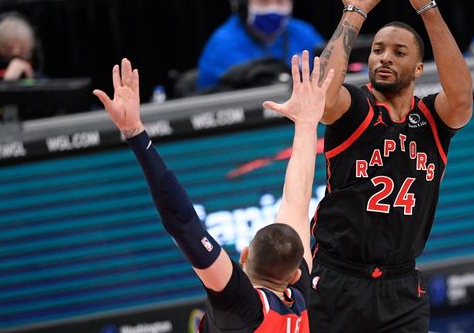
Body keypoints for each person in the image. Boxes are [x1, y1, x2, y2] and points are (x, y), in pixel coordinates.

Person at [93, 52, 334, 332]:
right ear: (294, 275)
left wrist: (135, 132)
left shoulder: (242, 303)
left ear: (244, 255)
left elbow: (184, 223)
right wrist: (307, 124)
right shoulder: (300, 298)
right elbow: (297, 199)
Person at [308, 0, 473, 332]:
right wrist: (355, 11)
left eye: (398, 52)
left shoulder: (432, 118)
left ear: (418, 70)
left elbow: (463, 99)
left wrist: (426, 8)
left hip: (402, 286)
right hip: (337, 280)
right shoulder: (357, 109)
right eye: (378, 50)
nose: (384, 56)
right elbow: (322, 95)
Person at [196, 0, 324, 91]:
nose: (273, 8)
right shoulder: (224, 44)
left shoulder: (302, 32)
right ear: (244, 4)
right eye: (263, 0)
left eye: (280, 0)